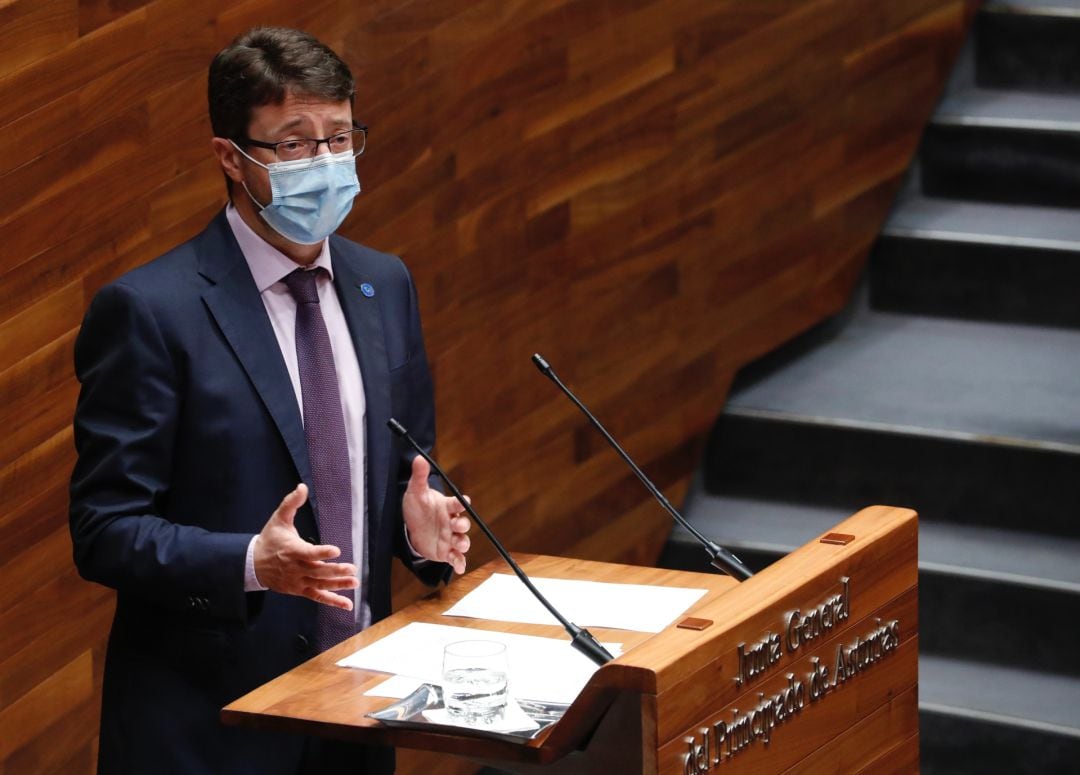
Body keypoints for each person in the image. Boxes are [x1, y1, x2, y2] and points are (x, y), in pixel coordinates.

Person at [69, 26, 471, 774]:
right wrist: (252, 560)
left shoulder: (384, 285)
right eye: (293, 144)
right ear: (232, 156)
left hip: (355, 713)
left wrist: (419, 532)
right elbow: (104, 529)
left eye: (340, 138)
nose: (325, 163)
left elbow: (404, 474)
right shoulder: (152, 312)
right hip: (209, 729)